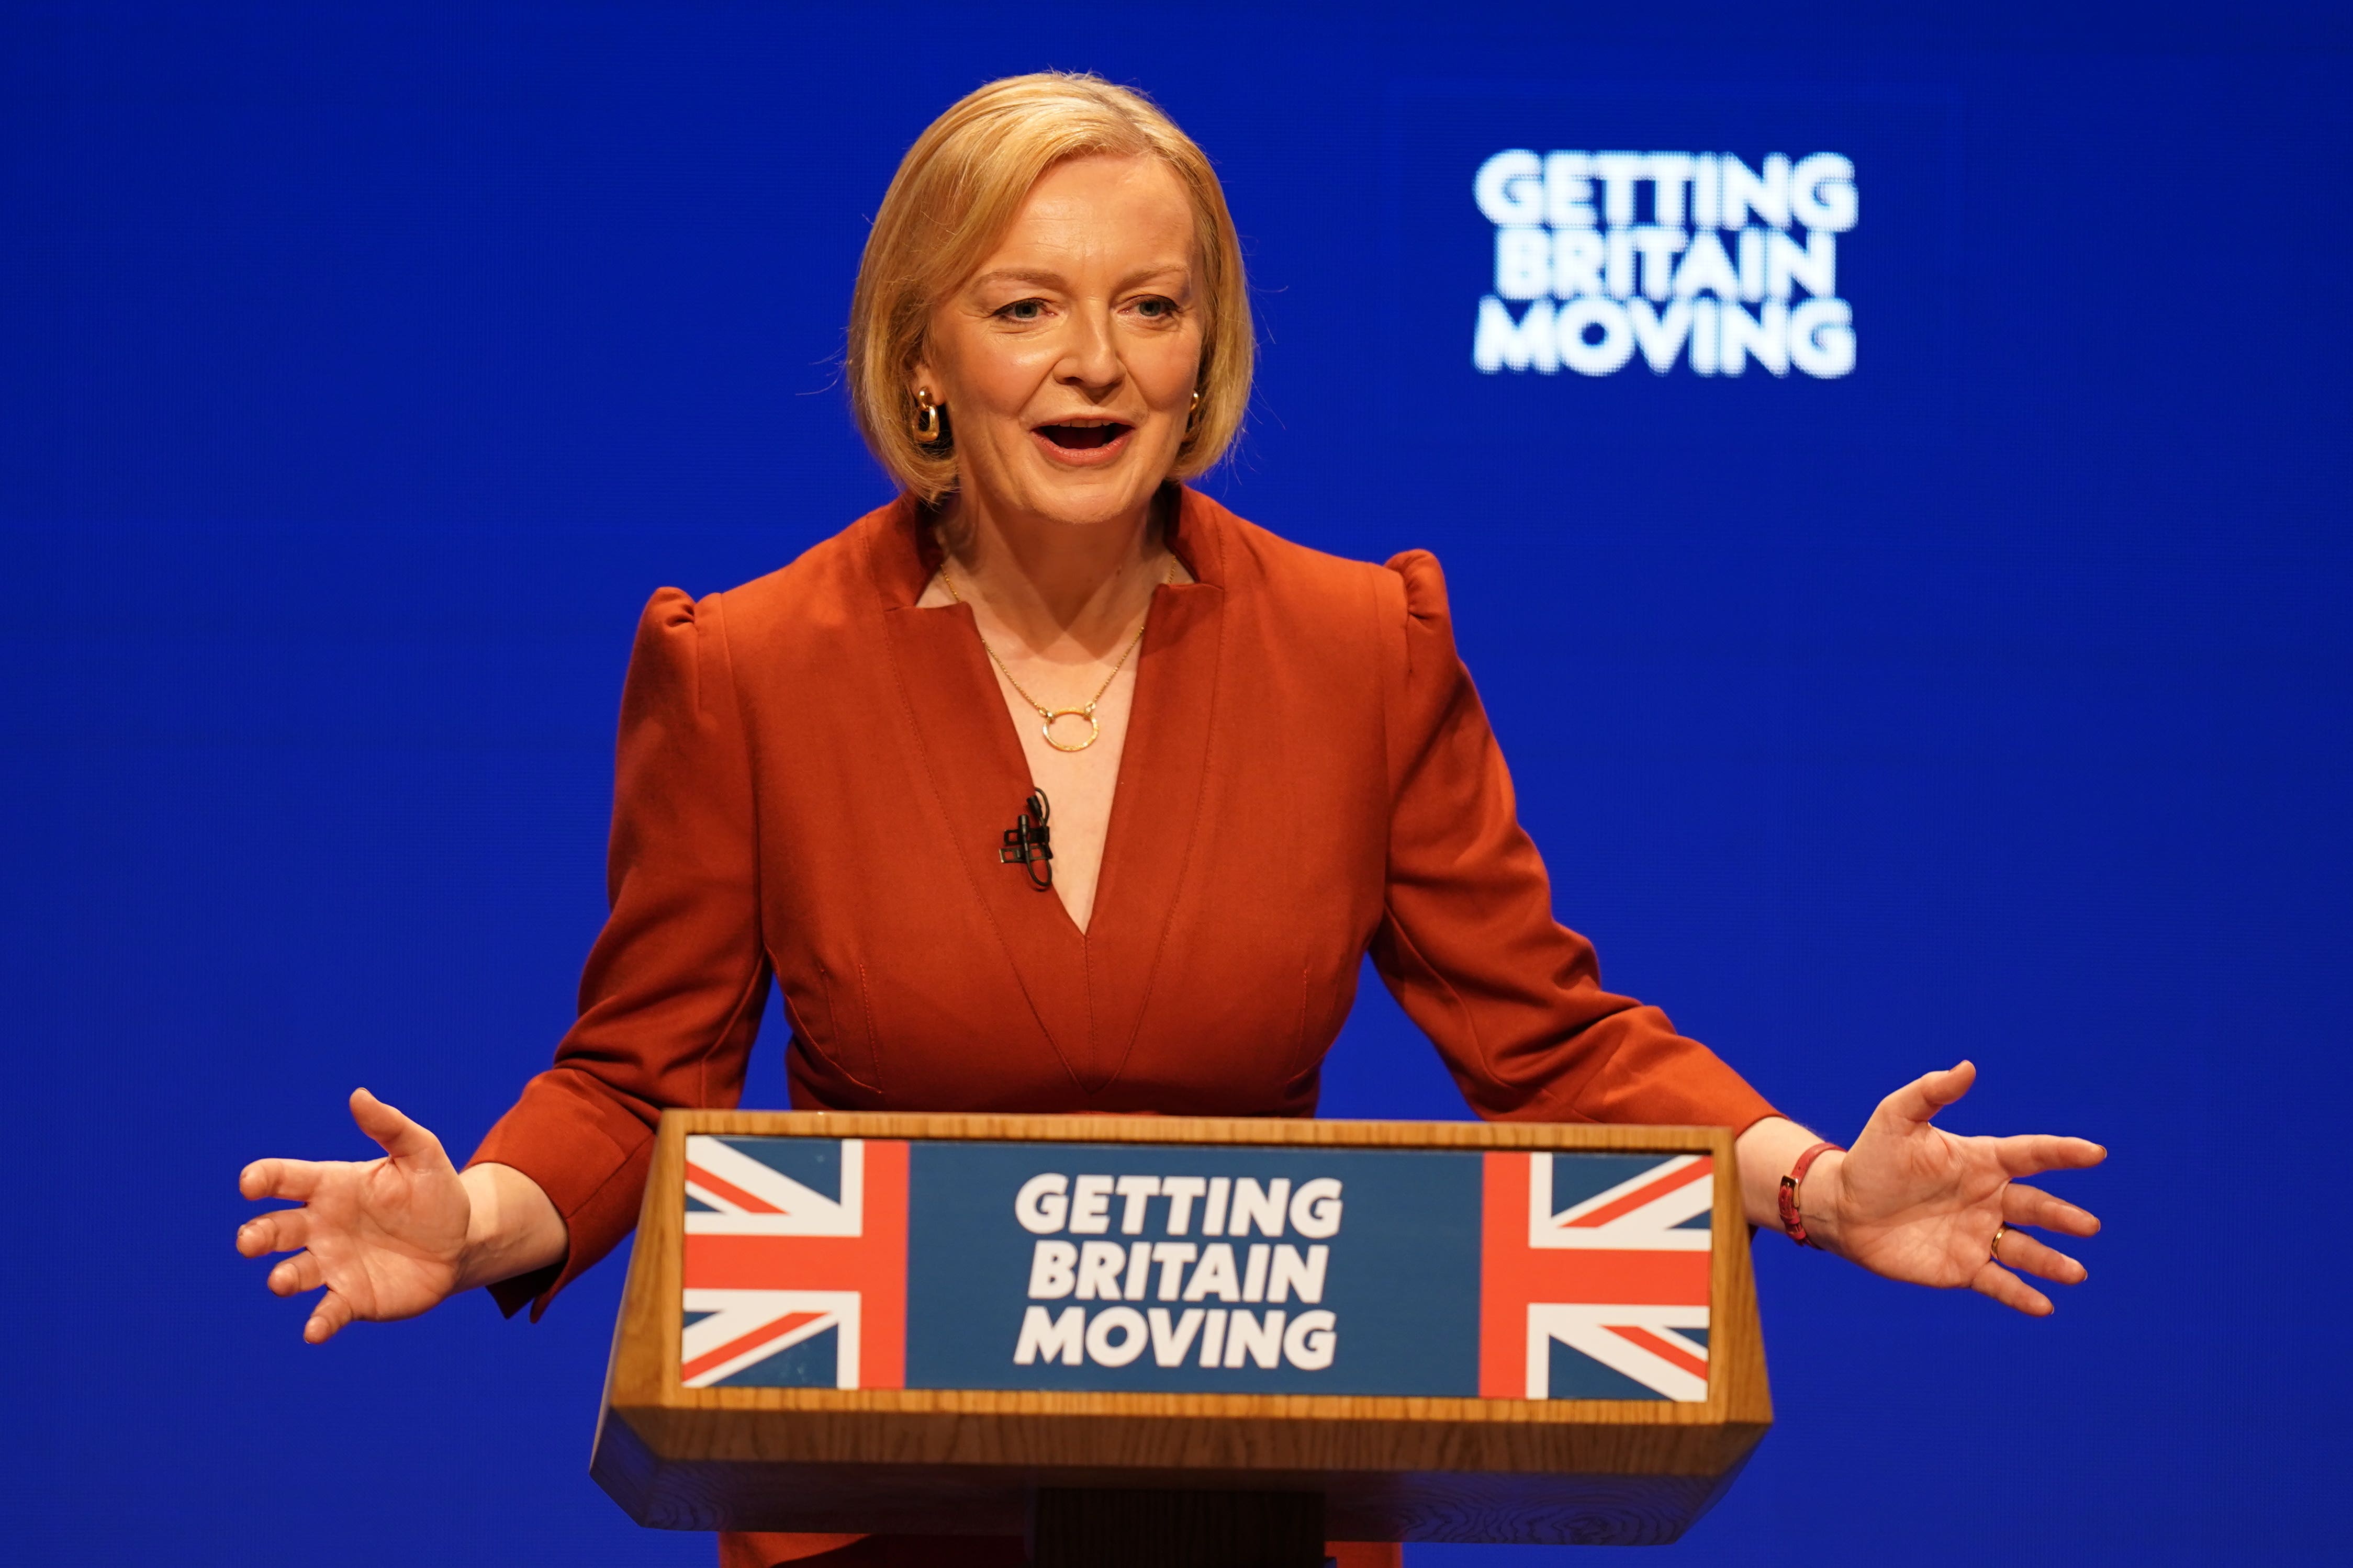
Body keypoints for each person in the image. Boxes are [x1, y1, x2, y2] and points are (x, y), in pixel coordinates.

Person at [236, 73, 2105, 1568]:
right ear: (924, 360)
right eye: (1027, 306)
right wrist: (474, 1221)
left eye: (1152, 307)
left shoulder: (1363, 644)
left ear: (1206, 357)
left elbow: (1547, 1035)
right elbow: (645, 1079)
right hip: (878, 1503)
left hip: (1261, 1485)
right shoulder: (752, 667)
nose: (1097, 361)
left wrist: (1811, 1185)